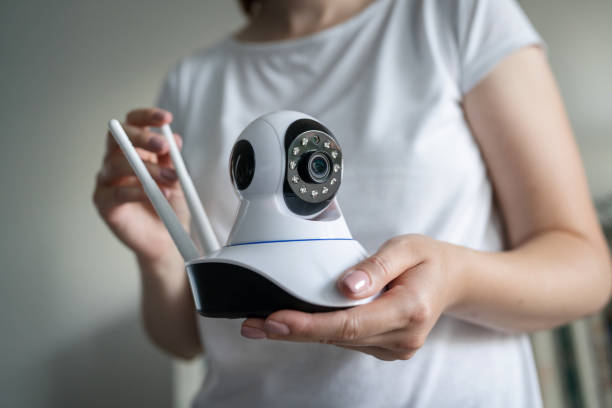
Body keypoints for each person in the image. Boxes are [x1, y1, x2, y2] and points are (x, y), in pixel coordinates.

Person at [93, 0, 612, 406]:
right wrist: (161, 252)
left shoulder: (459, 16)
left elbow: (585, 269)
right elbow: (188, 339)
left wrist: (453, 279)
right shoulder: (192, 81)